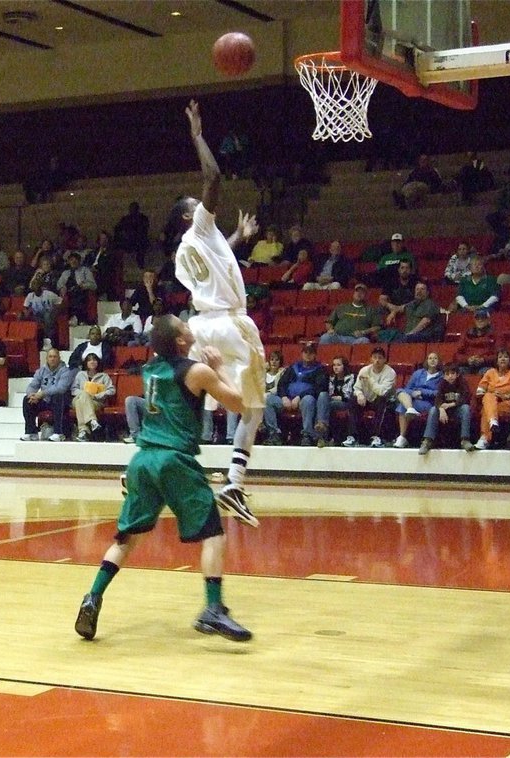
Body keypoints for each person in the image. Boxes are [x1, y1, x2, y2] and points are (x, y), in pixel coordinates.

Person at [74, 314, 252, 643]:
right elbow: (238, 403)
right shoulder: (197, 371)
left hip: (142, 460)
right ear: (181, 341)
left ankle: (93, 596)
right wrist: (220, 367)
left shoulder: (151, 368)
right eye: (182, 324)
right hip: (175, 460)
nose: (188, 323)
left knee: (126, 539)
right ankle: (213, 608)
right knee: (213, 534)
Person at [172, 99, 265, 528]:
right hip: (229, 323)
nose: (205, 204)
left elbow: (215, 262)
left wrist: (239, 239)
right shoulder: (199, 227)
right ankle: (234, 482)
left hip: (200, 326)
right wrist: (196, 135)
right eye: (198, 204)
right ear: (191, 215)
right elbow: (214, 175)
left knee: (200, 399)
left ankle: (161, 462)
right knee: (252, 407)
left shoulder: (183, 252)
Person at [262, 342, 328, 447]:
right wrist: (284, 397)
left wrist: (299, 397)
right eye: (305, 352)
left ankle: (307, 434)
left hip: (304, 400)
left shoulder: (320, 369)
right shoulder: (293, 367)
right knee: (267, 399)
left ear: (315, 354)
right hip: (287, 400)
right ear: (302, 354)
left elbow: (319, 388)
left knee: (308, 400)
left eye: (310, 353)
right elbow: (282, 384)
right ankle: (274, 433)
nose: (308, 355)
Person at [344, 346, 396, 448]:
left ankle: (376, 437)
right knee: (353, 400)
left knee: (382, 401)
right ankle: (353, 437)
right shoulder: (364, 370)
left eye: (380, 358)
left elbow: (382, 392)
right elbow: (357, 387)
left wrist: (370, 380)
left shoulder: (390, 373)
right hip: (366, 399)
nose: (377, 360)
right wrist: (359, 395)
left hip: (382, 400)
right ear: (371, 359)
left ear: (385, 360)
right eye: (375, 357)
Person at [474, 349, 510, 450]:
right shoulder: (490, 372)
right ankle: (493, 421)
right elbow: (480, 391)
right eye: (500, 357)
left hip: (508, 403)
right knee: (488, 397)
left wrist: (506, 396)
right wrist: (493, 394)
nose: (503, 359)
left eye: (505, 357)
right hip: (492, 402)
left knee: (486, 410)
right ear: (496, 361)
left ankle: (484, 438)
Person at [418, 363, 473, 454]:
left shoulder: (462, 382)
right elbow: (437, 399)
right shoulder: (442, 384)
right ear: (443, 376)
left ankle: (465, 440)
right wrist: (441, 409)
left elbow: (465, 398)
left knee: (466, 408)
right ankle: (427, 441)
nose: (450, 376)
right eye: (447, 374)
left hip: (457, 410)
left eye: (452, 373)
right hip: (445, 412)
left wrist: (451, 404)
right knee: (432, 410)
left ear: (457, 374)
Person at [20, 348, 73, 442]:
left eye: (55, 357)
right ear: (47, 358)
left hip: (61, 401)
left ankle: (58, 433)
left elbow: (61, 388)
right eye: (50, 356)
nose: (52, 359)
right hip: (45, 400)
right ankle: (31, 432)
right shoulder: (41, 371)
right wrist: (31, 395)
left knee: (58, 396)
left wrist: (42, 393)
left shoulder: (66, 371)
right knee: (26, 400)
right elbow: (33, 385)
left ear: (59, 358)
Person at [392, 351, 442, 448]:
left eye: (435, 358)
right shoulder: (418, 373)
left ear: (439, 361)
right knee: (400, 391)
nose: (432, 360)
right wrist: (413, 393)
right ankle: (410, 410)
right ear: (426, 361)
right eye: (430, 358)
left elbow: (438, 393)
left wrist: (421, 392)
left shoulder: (441, 376)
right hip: (414, 399)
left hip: (429, 403)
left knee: (402, 406)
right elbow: (408, 389)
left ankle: (402, 436)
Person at [71, 354, 115, 442]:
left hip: (95, 402)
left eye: (94, 360)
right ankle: (92, 420)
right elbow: (73, 389)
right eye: (89, 360)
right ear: (86, 363)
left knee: (80, 403)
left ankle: (83, 431)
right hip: (78, 398)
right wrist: (85, 394)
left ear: (98, 362)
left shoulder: (104, 376)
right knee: (83, 396)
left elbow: (111, 390)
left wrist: (96, 395)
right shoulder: (80, 374)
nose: (92, 362)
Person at [315, 355, 355, 447]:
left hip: (347, 403)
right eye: (334, 365)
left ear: (344, 366)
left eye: (338, 365)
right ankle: (321, 426)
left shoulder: (351, 377)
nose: (335, 367)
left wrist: (341, 398)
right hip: (332, 402)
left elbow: (351, 395)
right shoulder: (331, 378)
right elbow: (328, 393)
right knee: (322, 395)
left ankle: (321, 434)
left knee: (325, 405)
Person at [57, 250, 97, 326]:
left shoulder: (85, 270)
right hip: (68, 293)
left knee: (78, 297)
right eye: (71, 260)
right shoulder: (66, 273)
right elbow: (59, 284)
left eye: (76, 260)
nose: (74, 261)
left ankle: (78, 318)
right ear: (68, 261)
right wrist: (62, 288)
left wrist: (83, 285)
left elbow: (93, 285)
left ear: (79, 261)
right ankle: (73, 318)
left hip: (81, 292)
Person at [23, 274, 63, 350]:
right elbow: (25, 307)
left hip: (49, 315)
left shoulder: (49, 294)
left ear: (40, 286)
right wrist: (27, 313)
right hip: (36, 316)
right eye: (34, 286)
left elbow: (60, 302)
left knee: (47, 316)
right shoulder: (30, 296)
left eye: (37, 285)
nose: (35, 288)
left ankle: (48, 340)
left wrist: (55, 311)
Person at [453, 307, 497, 374]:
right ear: (474, 320)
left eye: (483, 318)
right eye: (477, 318)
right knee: (457, 372)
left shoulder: (495, 335)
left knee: (486, 372)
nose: (480, 320)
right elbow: (457, 355)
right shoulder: (466, 334)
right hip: (468, 365)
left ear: (488, 320)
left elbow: (499, 355)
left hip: (487, 365)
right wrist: (467, 359)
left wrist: (483, 359)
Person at [113, 201, 150, 268]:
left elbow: (144, 230)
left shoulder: (143, 218)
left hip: (139, 240)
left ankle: (140, 262)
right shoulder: (126, 219)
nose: (133, 211)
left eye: (134, 209)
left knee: (141, 243)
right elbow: (117, 229)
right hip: (128, 240)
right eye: (132, 209)